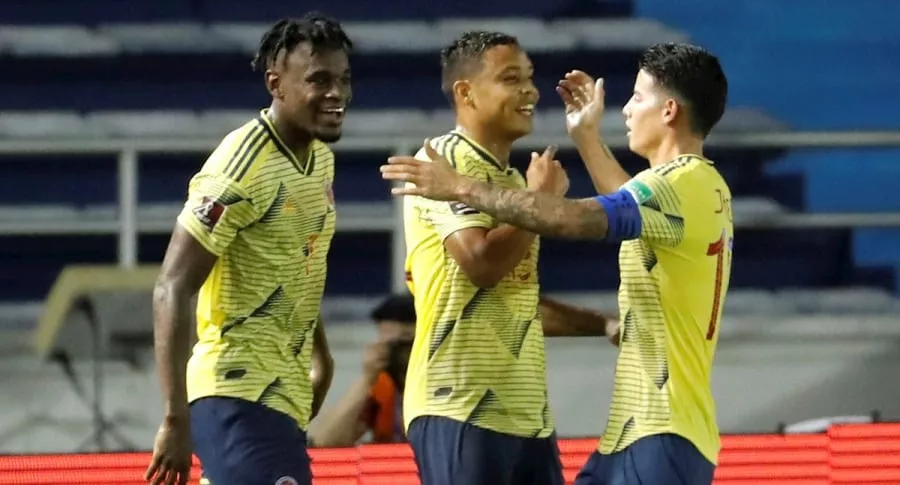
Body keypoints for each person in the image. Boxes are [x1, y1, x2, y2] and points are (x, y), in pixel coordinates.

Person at [381, 42, 732, 485]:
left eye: (637, 97)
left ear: (668, 111)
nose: (625, 109)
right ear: (465, 92)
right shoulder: (696, 188)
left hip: (660, 429)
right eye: (514, 78)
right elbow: (622, 202)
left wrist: (460, 188)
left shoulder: (681, 181)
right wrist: (585, 137)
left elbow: (583, 217)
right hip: (620, 429)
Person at [399, 31, 618, 485]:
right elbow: (480, 264)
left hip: (526, 416)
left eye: (531, 78)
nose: (530, 91)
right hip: (459, 406)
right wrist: (537, 201)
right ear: (466, 92)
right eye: (510, 78)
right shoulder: (442, 162)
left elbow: (517, 299)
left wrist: (603, 325)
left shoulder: (512, 180)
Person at [144, 13, 353, 485]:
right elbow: (171, 287)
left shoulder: (318, 159)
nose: (337, 94)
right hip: (237, 389)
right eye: (319, 80)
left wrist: (321, 356)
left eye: (343, 79)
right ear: (276, 84)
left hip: (285, 393)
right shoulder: (240, 167)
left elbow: (297, 258)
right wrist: (175, 419)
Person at [309, 294, 417, 447]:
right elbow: (323, 443)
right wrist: (367, 380)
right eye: (389, 345)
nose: (399, 354)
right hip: (393, 465)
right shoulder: (382, 387)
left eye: (404, 343)